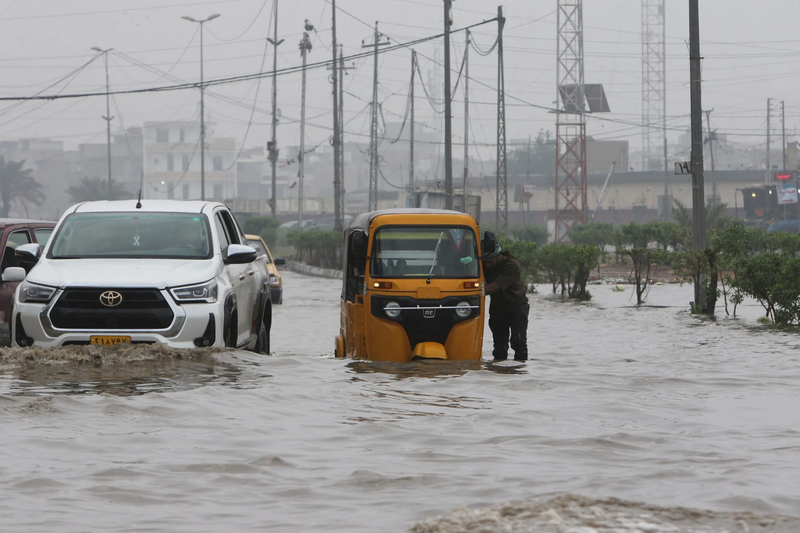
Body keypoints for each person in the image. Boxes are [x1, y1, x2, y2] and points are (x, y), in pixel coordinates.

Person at [481, 231, 529, 362]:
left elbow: (492, 288)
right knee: (499, 347)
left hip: (517, 306)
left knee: (518, 342)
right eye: (485, 262)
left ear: (499, 255)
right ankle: (499, 373)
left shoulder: (511, 265)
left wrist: (467, 291)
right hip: (498, 309)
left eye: (490, 262)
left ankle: (520, 370)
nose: (487, 265)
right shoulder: (485, 264)